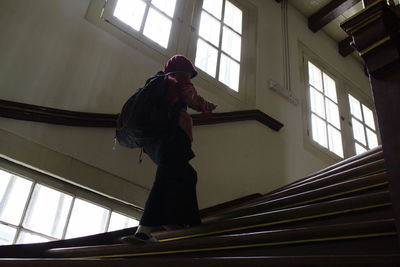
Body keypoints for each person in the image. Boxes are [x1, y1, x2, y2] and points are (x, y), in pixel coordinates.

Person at [128, 55, 217, 242]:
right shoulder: (178, 79)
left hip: (154, 142)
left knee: (188, 176)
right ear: (185, 70)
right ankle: (144, 231)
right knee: (164, 181)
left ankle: (181, 221)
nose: (190, 77)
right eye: (189, 74)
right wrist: (208, 106)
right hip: (174, 138)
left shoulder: (156, 84)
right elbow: (192, 98)